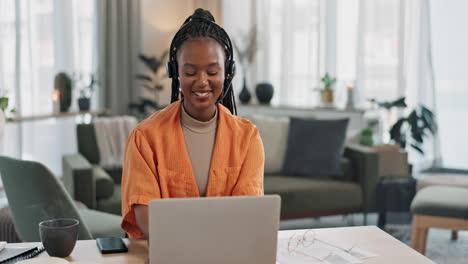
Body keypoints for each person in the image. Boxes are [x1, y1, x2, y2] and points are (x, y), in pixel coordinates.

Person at [121, 8, 265, 239]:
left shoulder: (247, 138)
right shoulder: (144, 137)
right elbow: (146, 218)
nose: (202, 82)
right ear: (175, 73)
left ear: (227, 73)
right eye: (190, 72)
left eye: (212, 71)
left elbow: (247, 214)